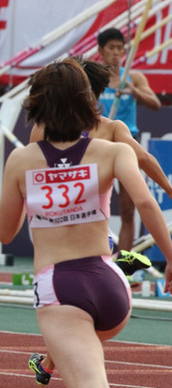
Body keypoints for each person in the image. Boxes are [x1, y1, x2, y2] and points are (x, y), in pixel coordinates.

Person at [0, 59, 172, 387]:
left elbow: (5, 233)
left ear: (39, 104)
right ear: (89, 100)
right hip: (111, 287)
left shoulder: (22, 158)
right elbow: (146, 201)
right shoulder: (112, 150)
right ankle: (48, 364)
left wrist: (41, 199)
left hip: (61, 288)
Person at [29, 56, 172, 279]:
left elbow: (143, 159)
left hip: (72, 230)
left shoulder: (107, 129)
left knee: (76, 278)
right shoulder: (45, 129)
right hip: (67, 228)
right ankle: (118, 267)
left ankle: (118, 266)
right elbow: (144, 160)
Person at [97, 28, 161, 253]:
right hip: (98, 142)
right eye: (111, 48)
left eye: (119, 48)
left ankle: (125, 266)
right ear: (100, 51)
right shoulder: (94, 78)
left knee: (127, 208)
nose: (116, 53)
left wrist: (133, 91)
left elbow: (155, 104)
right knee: (91, 205)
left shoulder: (132, 77)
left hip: (126, 144)